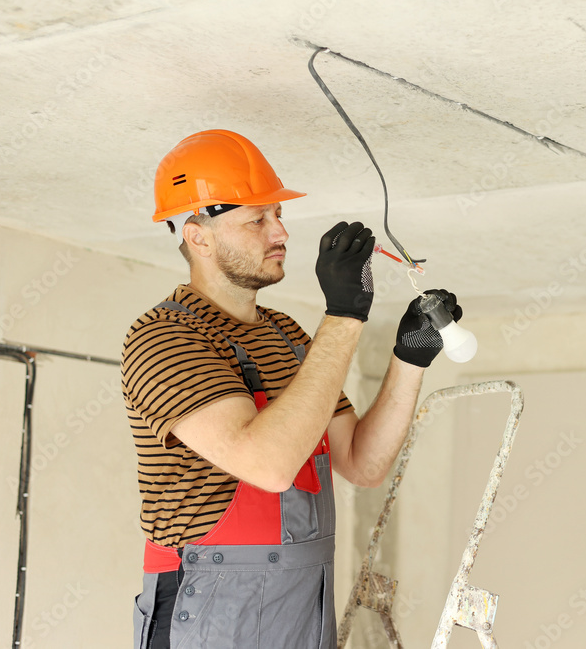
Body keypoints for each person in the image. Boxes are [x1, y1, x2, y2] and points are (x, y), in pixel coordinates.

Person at [122, 129, 462, 648]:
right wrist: (346, 313)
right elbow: (268, 465)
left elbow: (362, 465)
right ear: (198, 236)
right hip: (214, 600)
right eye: (257, 219)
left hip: (306, 596)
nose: (280, 232)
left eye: (277, 215)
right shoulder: (166, 336)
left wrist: (410, 357)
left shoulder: (288, 336)